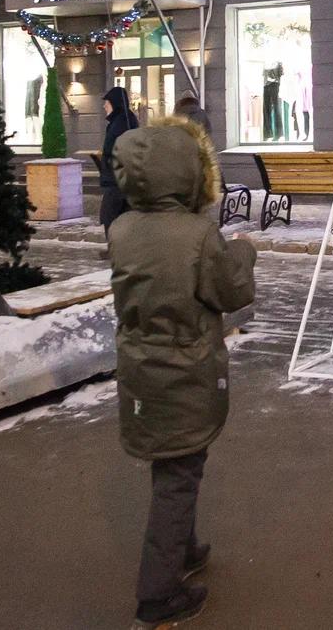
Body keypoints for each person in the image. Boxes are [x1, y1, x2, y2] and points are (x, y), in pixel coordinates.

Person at [107, 115, 257, 628]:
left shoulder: (122, 228)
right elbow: (232, 292)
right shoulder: (197, 234)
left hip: (140, 370)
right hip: (185, 370)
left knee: (171, 463)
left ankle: (184, 547)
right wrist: (242, 252)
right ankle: (158, 595)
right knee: (179, 475)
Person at [100, 86, 139, 236]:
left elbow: (118, 151)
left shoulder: (122, 122)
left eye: (107, 103)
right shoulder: (121, 120)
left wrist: (108, 162)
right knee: (114, 218)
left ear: (114, 103)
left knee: (111, 218)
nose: (104, 106)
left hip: (118, 182)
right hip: (118, 180)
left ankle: (117, 251)